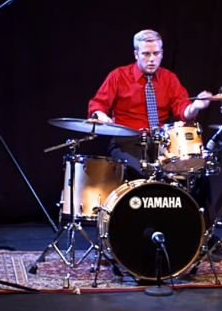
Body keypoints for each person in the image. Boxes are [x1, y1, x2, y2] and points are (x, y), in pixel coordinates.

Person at [87, 29, 214, 216]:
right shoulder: (119, 76)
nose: (152, 59)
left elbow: (183, 111)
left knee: (197, 173)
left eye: (156, 53)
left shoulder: (169, 78)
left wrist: (195, 107)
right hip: (127, 141)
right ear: (136, 54)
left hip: (160, 143)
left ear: (162, 53)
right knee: (138, 173)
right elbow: (98, 104)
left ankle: (199, 227)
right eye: (146, 54)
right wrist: (100, 114)